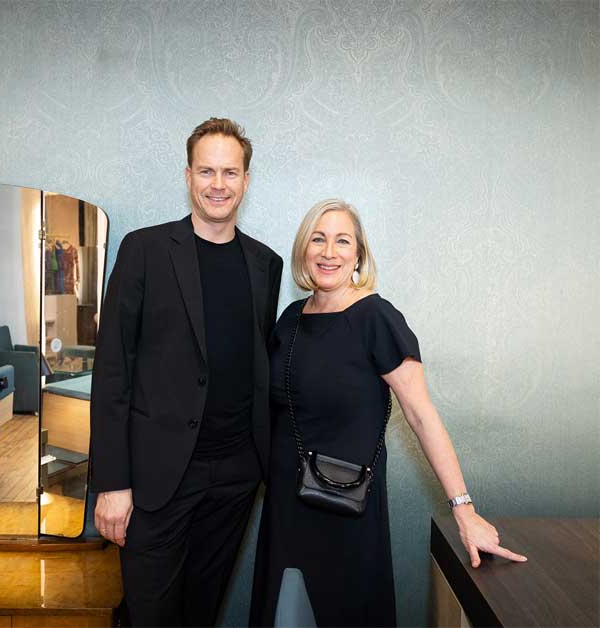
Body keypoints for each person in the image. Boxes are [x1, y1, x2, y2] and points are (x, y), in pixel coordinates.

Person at [248, 199, 526, 626]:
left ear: (358, 254)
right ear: (304, 248)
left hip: (345, 507)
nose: (329, 251)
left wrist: (464, 510)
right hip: (287, 505)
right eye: (318, 239)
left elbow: (420, 415)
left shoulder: (376, 317)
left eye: (343, 241)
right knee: (285, 615)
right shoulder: (289, 319)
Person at [90, 118, 283, 626]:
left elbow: (258, 364)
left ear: (245, 179)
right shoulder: (143, 250)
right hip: (157, 479)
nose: (218, 184)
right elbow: (112, 372)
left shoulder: (266, 264)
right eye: (207, 171)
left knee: (203, 613)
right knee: (150, 616)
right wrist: (112, 483)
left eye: (230, 172)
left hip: (236, 476)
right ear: (188, 175)